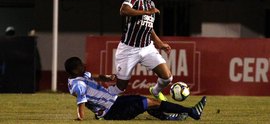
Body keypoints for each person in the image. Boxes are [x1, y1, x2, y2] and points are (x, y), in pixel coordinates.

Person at [65, 57, 207, 121]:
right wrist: (80, 117)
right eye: (80, 66)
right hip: (112, 111)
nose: (84, 66)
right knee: (149, 102)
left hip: (114, 102)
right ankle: (191, 112)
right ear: (74, 71)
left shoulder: (82, 76)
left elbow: (95, 76)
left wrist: (107, 77)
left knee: (144, 99)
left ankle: (170, 117)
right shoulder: (79, 85)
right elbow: (81, 101)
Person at [108, 0, 172, 101]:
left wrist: (159, 43)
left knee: (167, 77)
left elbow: (148, 26)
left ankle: (155, 91)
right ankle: (100, 103)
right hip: (128, 49)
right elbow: (124, 10)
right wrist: (146, 12)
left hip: (147, 48)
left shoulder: (151, 3)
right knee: (120, 87)